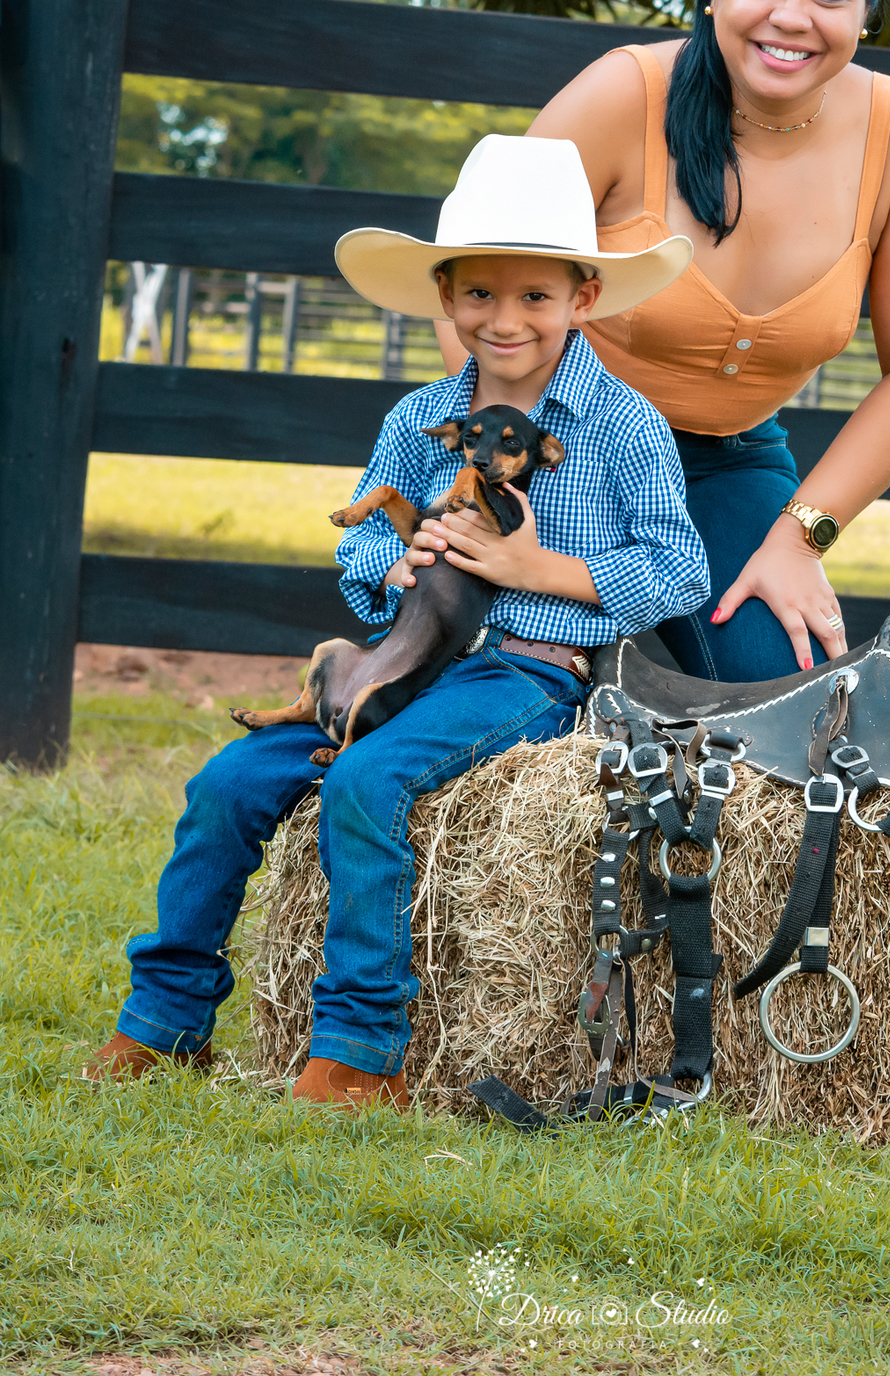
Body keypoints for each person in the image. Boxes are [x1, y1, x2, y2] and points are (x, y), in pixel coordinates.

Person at [84, 136, 707, 1110]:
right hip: (401, 663)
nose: (504, 320)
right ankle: (164, 1022)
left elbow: (680, 570)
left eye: (535, 297)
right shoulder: (417, 418)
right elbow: (358, 554)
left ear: (583, 298)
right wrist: (399, 559)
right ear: (446, 297)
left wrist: (532, 567)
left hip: (524, 671)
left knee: (368, 783)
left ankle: (361, 1050)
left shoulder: (625, 425)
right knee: (225, 785)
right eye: (479, 296)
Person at [431, 0, 890, 686]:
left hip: (732, 463)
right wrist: (521, 458)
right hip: (569, 443)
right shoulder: (623, 94)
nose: (792, 17)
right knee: (496, 682)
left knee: (775, 704)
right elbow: (469, 279)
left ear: (868, 7)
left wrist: (800, 540)